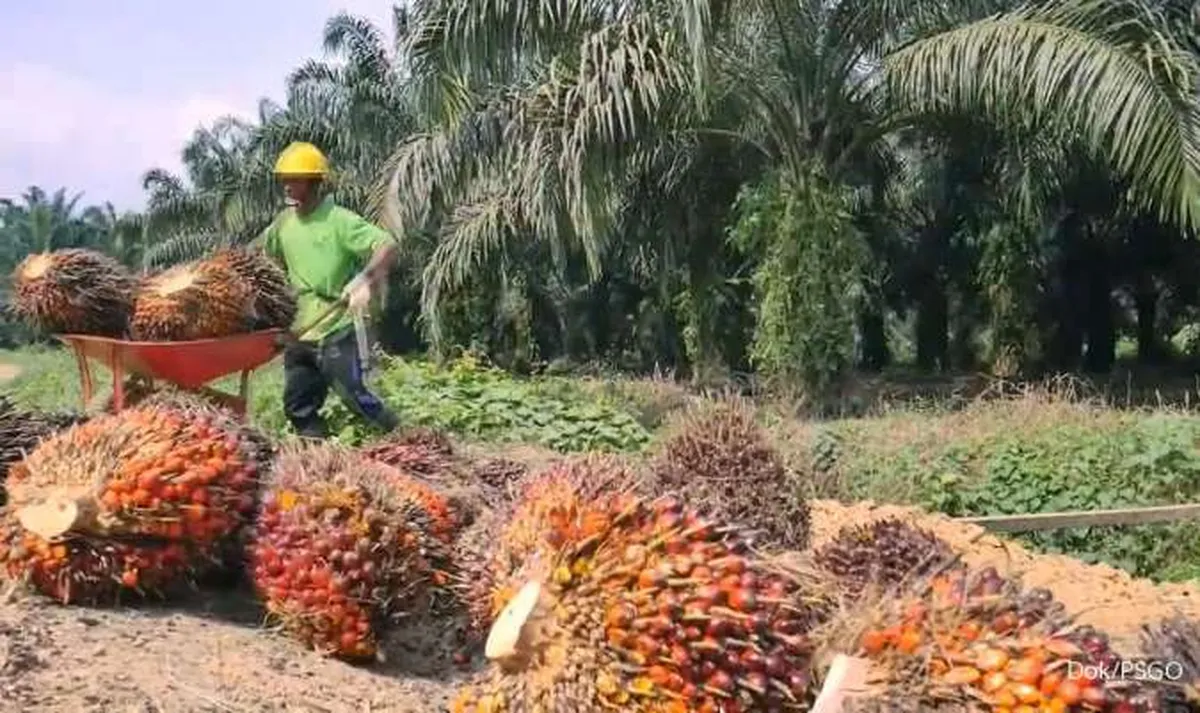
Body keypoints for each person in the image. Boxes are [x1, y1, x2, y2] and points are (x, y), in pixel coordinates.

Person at [258, 141, 400, 439]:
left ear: (314, 182)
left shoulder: (340, 221)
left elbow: (386, 246)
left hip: (337, 327)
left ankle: (403, 438)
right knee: (298, 405)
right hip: (300, 330)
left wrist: (364, 278)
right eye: (284, 179)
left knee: (355, 398)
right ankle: (316, 460)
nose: (286, 186)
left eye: (294, 179)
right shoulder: (282, 225)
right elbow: (260, 258)